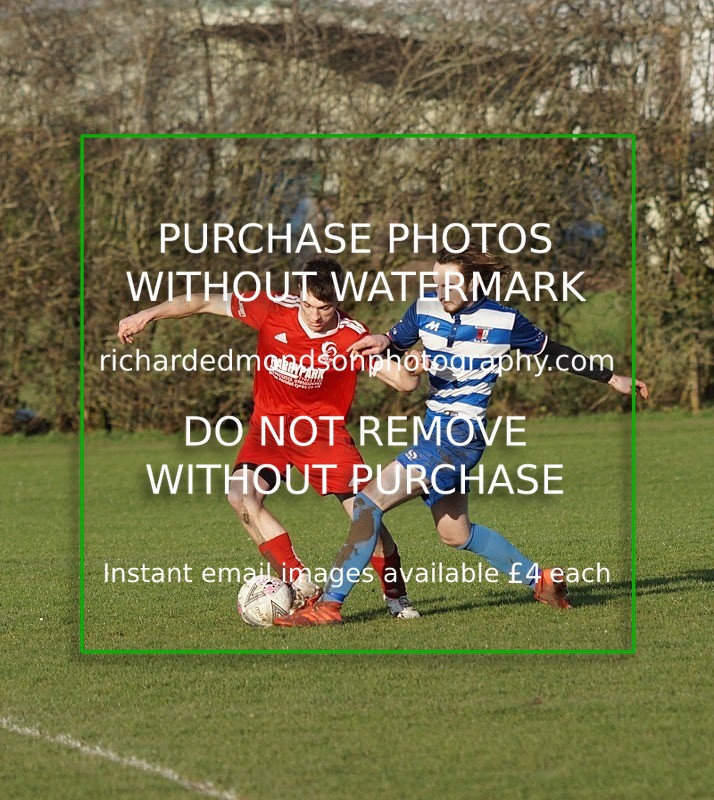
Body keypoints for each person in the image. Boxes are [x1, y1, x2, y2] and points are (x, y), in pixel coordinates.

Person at [276, 245, 649, 626]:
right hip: (433, 431)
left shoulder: (504, 320)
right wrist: (386, 344)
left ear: (472, 283)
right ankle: (540, 581)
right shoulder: (425, 309)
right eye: (436, 282)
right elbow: (399, 340)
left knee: (368, 503)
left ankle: (329, 606)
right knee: (455, 533)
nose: (441, 290)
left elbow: (552, 352)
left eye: (450, 283)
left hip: (458, 435)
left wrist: (613, 378)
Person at [117, 256, 421, 619]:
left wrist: (414, 357)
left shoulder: (351, 336)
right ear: (299, 294)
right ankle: (300, 582)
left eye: (324, 307)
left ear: (337, 301)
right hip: (270, 428)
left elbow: (404, 383)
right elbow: (202, 301)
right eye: (308, 304)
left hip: (323, 435)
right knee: (240, 496)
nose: (315, 315)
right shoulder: (272, 308)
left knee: (365, 517)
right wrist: (147, 314)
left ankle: (396, 594)